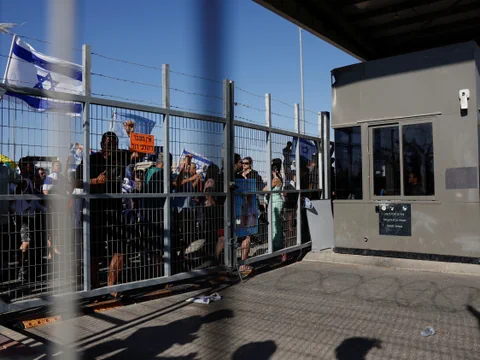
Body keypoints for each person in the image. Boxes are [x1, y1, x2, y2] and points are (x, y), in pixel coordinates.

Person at [75, 131, 129, 297]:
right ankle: (95, 286)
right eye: (108, 144)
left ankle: (111, 286)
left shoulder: (120, 158)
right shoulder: (92, 159)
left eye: (114, 144)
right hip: (95, 210)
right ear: (101, 145)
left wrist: (130, 133)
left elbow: (138, 153)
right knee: (94, 251)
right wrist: (94, 181)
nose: (111, 147)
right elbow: (73, 180)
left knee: (120, 249)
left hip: (114, 209)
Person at [235, 157, 264, 272]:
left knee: (248, 235)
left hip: (250, 207)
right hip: (238, 208)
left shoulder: (255, 175)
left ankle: (243, 263)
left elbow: (261, 187)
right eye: (242, 163)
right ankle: (234, 263)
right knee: (237, 235)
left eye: (246, 163)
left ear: (251, 164)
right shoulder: (237, 174)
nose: (243, 165)